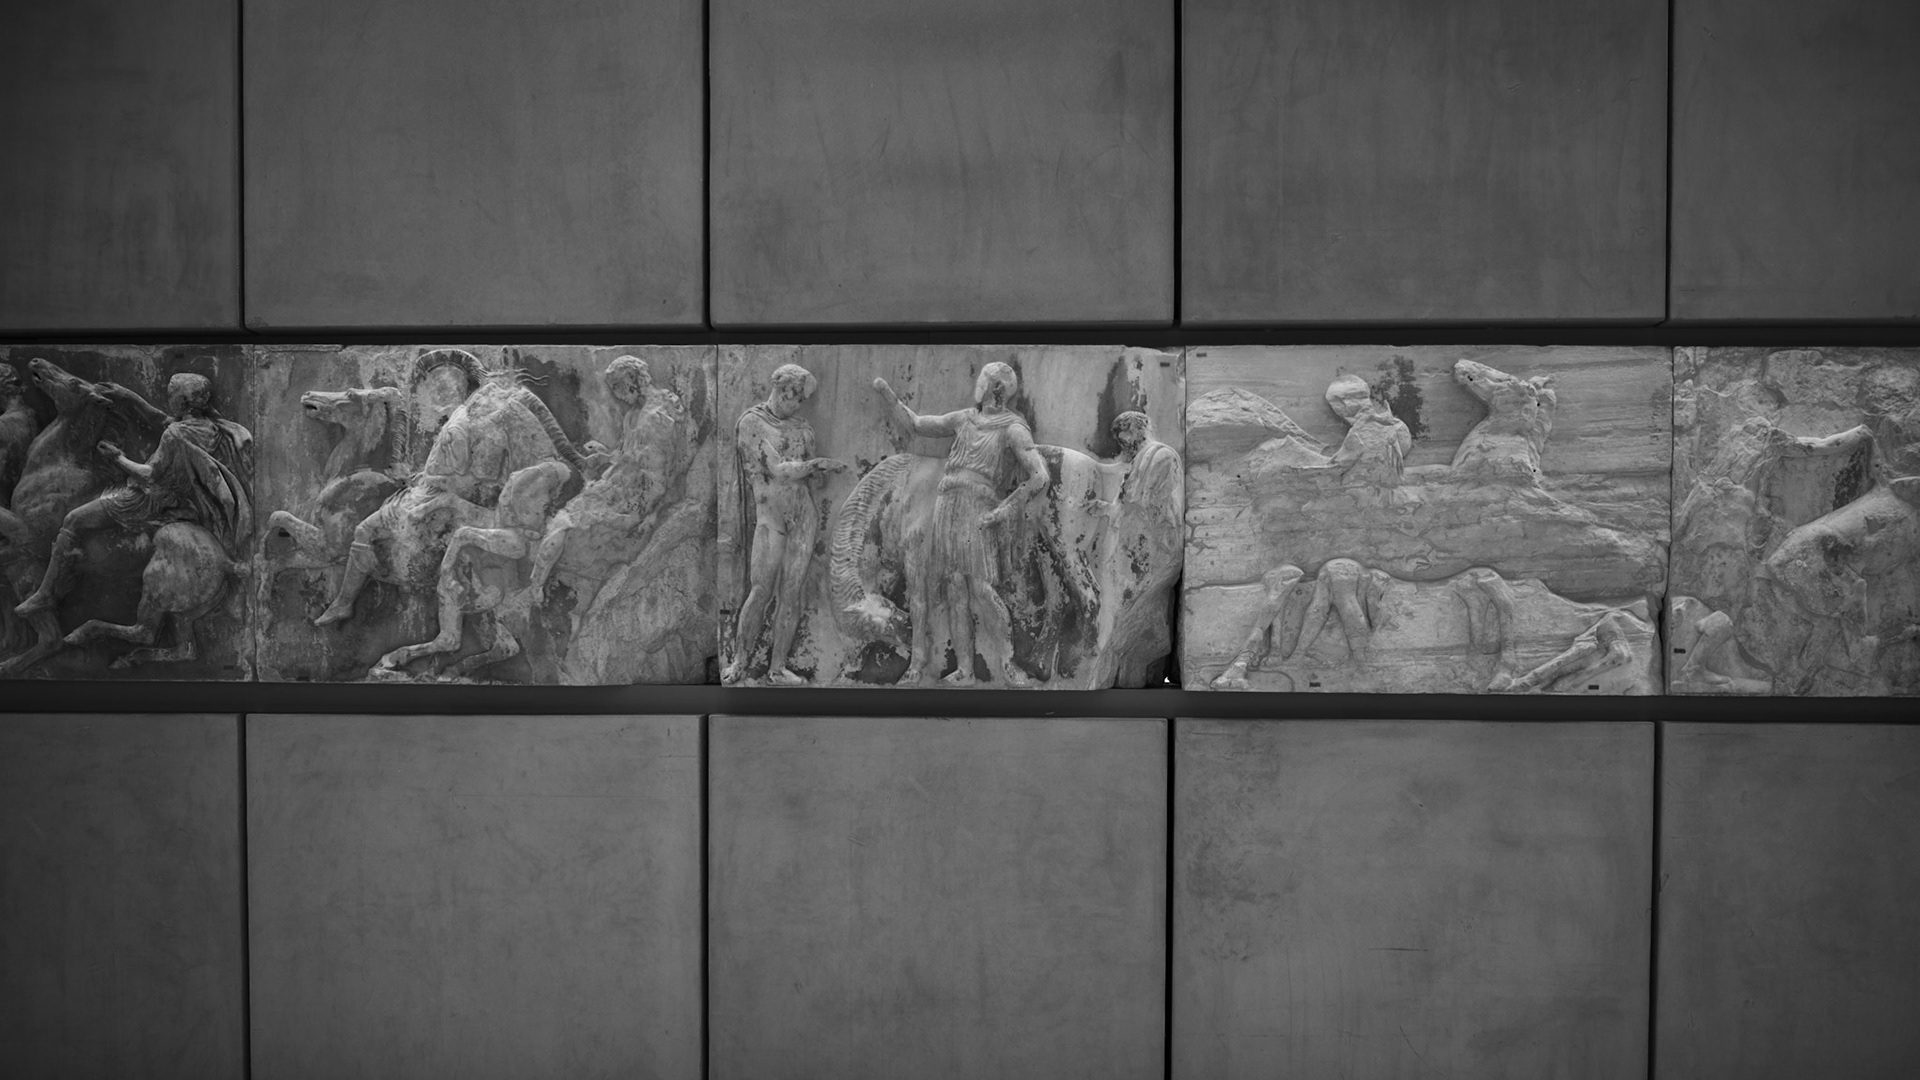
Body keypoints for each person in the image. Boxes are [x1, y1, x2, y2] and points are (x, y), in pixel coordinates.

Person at [15, 372, 251, 616]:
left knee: (73, 519)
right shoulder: (208, 428)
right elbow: (162, 420)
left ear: (182, 401)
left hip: (144, 500)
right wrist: (128, 396)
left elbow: (149, 474)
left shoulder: (176, 434)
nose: (168, 400)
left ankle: (47, 594)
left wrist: (117, 457)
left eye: (171, 395)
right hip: (175, 498)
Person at [873, 362, 1047, 685]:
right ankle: (965, 670)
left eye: (982, 380)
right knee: (955, 588)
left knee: (981, 589)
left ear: (995, 388)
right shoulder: (964, 418)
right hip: (947, 504)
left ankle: (1008, 662)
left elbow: (1039, 476)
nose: (977, 384)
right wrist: (889, 396)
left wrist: (1006, 509)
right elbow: (917, 424)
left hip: (978, 507)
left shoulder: (1013, 428)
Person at [724, 363, 844, 685]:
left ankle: (777, 669)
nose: (800, 404)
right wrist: (816, 464)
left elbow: (813, 482)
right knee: (760, 591)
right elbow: (778, 469)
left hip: (802, 517)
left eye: (804, 400)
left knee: (791, 594)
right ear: (783, 389)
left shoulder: (803, 428)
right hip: (771, 519)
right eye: (798, 397)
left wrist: (818, 473)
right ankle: (739, 662)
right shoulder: (752, 422)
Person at [1323, 374, 1411, 485]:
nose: (1349, 404)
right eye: (1341, 400)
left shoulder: (1392, 428)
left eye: (1360, 396)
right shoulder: (1361, 430)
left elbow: (1341, 462)